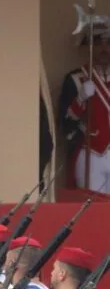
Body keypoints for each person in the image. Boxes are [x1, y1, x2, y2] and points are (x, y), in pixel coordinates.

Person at [59, 22, 110, 193]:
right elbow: (66, 123)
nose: (104, 48)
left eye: (108, 42)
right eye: (97, 42)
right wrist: (80, 98)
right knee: (92, 210)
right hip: (90, 153)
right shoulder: (75, 79)